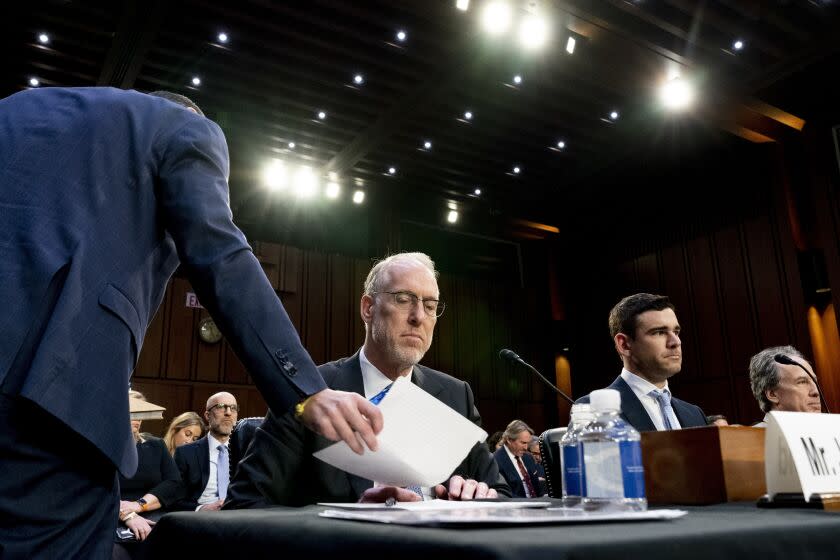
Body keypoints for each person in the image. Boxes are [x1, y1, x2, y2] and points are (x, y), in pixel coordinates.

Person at [0, 87, 382, 558]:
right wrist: (304, 390)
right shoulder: (183, 127)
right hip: (46, 389)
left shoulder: (20, 106)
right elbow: (217, 249)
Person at [226, 253, 511, 507]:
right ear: (368, 308)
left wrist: (481, 496)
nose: (418, 316)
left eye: (430, 304)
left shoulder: (455, 395)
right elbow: (246, 503)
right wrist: (351, 518)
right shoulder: (310, 392)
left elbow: (504, 496)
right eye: (404, 299)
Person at [576, 293, 706, 431]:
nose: (675, 342)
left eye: (676, 332)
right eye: (659, 332)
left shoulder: (695, 414)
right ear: (624, 345)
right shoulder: (593, 410)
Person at [114, 392, 182, 557]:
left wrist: (139, 504)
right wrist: (127, 514)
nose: (138, 416)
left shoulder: (156, 445)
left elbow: (174, 484)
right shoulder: (105, 446)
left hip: (153, 517)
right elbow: (97, 489)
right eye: (133, 410)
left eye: (141, 411)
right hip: (112, 519)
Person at [173, 393, 238, 511]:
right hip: (201, 519)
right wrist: (202, 509)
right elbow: (174, 499)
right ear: (207, 416)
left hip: (239, 517)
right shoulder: (186, 453)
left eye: (233, 408)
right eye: (221, 406)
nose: (228, 412)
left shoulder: (246, 452)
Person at [749, 345, 821, 427]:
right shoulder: (752, 437)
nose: (816, 392)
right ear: (772, 394)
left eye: (814, 381)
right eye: (802, 382)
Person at [493, 420, 544, 498]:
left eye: (527, 443)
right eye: (523, 443)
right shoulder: (495, 461)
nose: (526, 448)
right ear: (509, 440)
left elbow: (537, 489)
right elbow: (503, 494)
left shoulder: (528, 457)